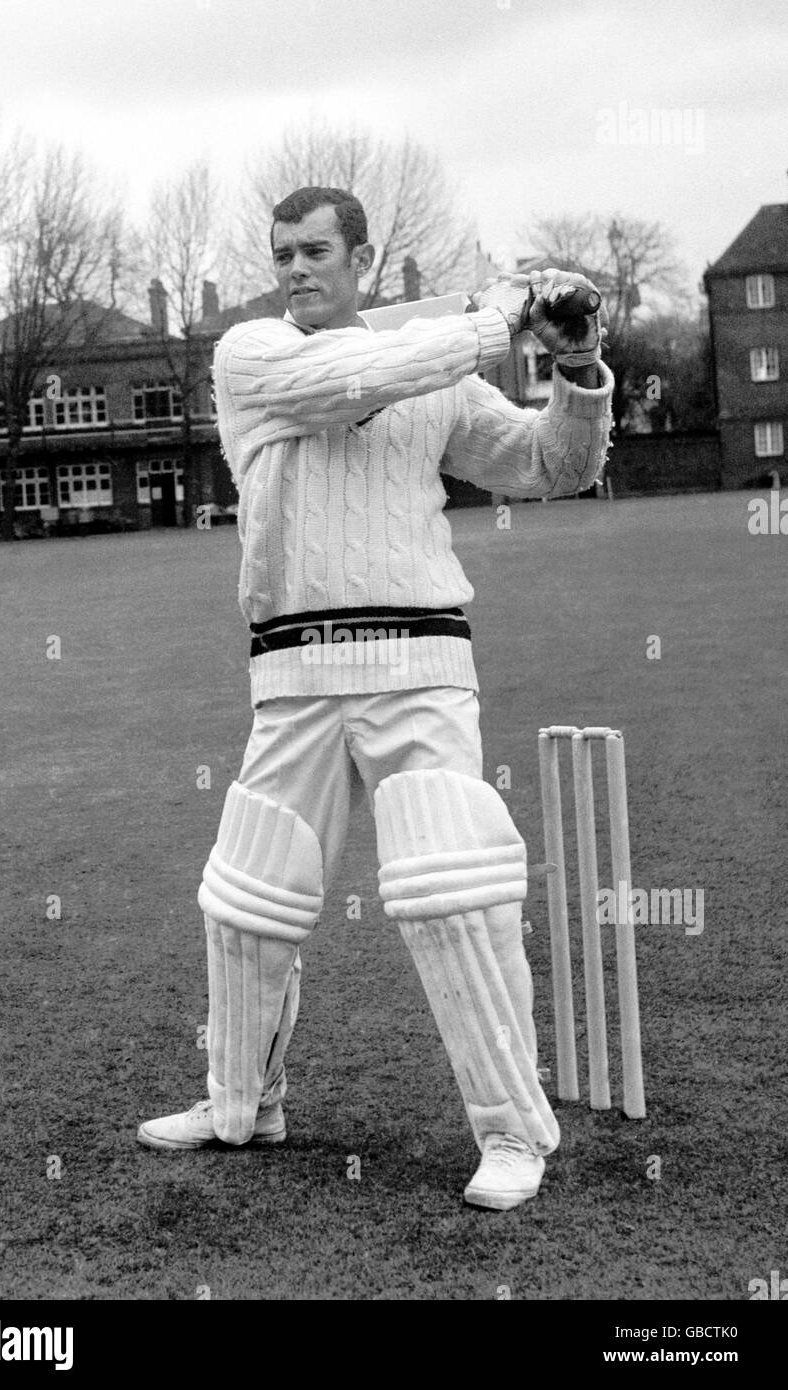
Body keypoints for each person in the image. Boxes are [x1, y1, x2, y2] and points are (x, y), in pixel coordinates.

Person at [138, 186, 613, 1210]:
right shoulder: (256, 359)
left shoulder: (434, 366)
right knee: (248, 903)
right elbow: (358, 376)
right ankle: (240, 1104)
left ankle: (512, 1133)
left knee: (453, 894)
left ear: (361, 256)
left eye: (315, 251)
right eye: (282, 253)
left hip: (418, 659)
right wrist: (496, 316)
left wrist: (574, 371)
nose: (295, 269)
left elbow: (548, 465)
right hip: (291, 674)